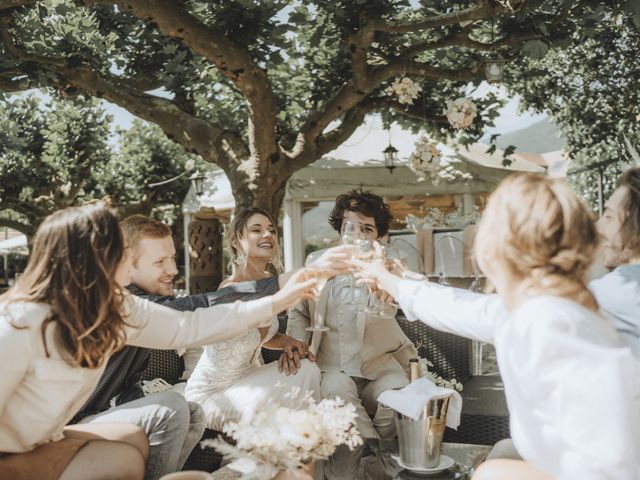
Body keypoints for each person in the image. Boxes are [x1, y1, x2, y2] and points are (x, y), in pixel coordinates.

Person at [0, 202, 317, 480]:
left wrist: (278, 296)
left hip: (49, 437)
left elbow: (190, 322)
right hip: (11, 454)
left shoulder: (115, 306)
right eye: (120, 253)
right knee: (163, 415)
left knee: (132, 447)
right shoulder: (18, 324)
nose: (170, 270)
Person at [354, 174, 640, 480]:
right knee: (501, 453)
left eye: (609, 215)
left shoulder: (558, 319)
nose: (600, 227)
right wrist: (397, 283)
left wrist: (394, 282)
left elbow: (612, 460)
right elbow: (481, 312)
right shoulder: (564, 309)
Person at [70, 214, 294, 480]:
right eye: (160, 261)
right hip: (73, 423)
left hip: (106, 412)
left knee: (193, 413)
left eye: (172, 258)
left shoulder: (139, 300)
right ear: (127, 262)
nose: (174, 270)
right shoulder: (117, 304)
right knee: (170, 407)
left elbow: (129, 384)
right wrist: (279, 287)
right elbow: (194, 310)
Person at [286, 190, 418, 480]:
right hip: (332, 366)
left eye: (367, 227)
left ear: (379, 235)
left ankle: (374, 451)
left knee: (399, 394)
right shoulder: (318, 261)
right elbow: (299, 311)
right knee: (337, 395)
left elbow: (408, 301)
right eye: (351, 225)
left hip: (380, 366)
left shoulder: (392, 264)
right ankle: (374, 455)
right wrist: (296, 341)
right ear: (340, 227)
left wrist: (388, 285)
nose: (358, 234)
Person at [185, 208, 351, 431]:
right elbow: (243, 328)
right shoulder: (230, 289)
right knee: (277, 409)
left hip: (249, 377)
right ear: (236, 241)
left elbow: (262, 335)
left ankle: (304, 446)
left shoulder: (268, 281)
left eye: (271, 230)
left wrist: (288, 342)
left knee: (307, 368)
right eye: (256, 230)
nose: (268, 235)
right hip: (213, 393)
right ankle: (284, 450)